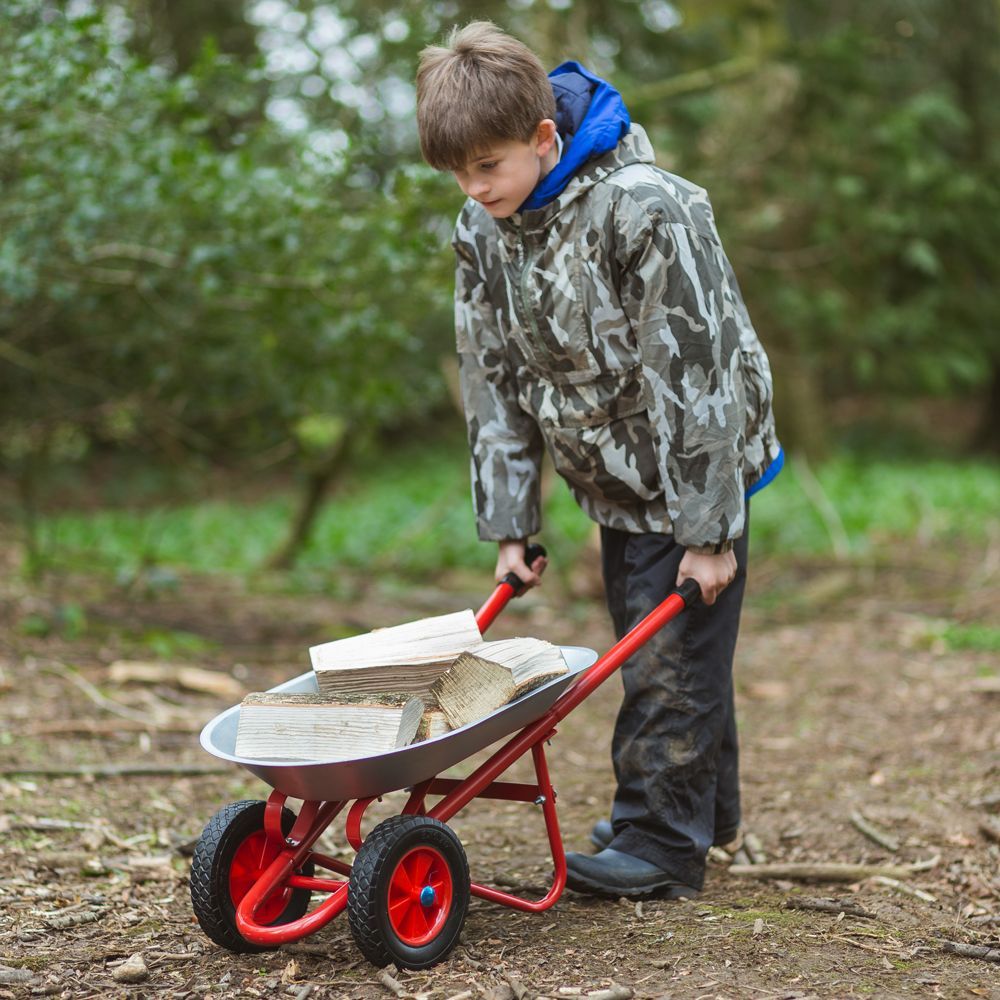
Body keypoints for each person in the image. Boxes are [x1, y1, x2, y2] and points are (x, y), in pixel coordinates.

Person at [415, 22, 783, 899]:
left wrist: (709, 532)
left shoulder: (648, 208)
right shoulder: (485, 227)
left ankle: (661, 843)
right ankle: (704, 809)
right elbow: (493, 373)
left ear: (545, 138)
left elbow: (696, 374)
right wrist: (512, 522)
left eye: (488, 166)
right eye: (458, 173)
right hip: (610, 470)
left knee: (668, 658)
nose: (473, 188)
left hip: (694, 461)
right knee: (669, 646)